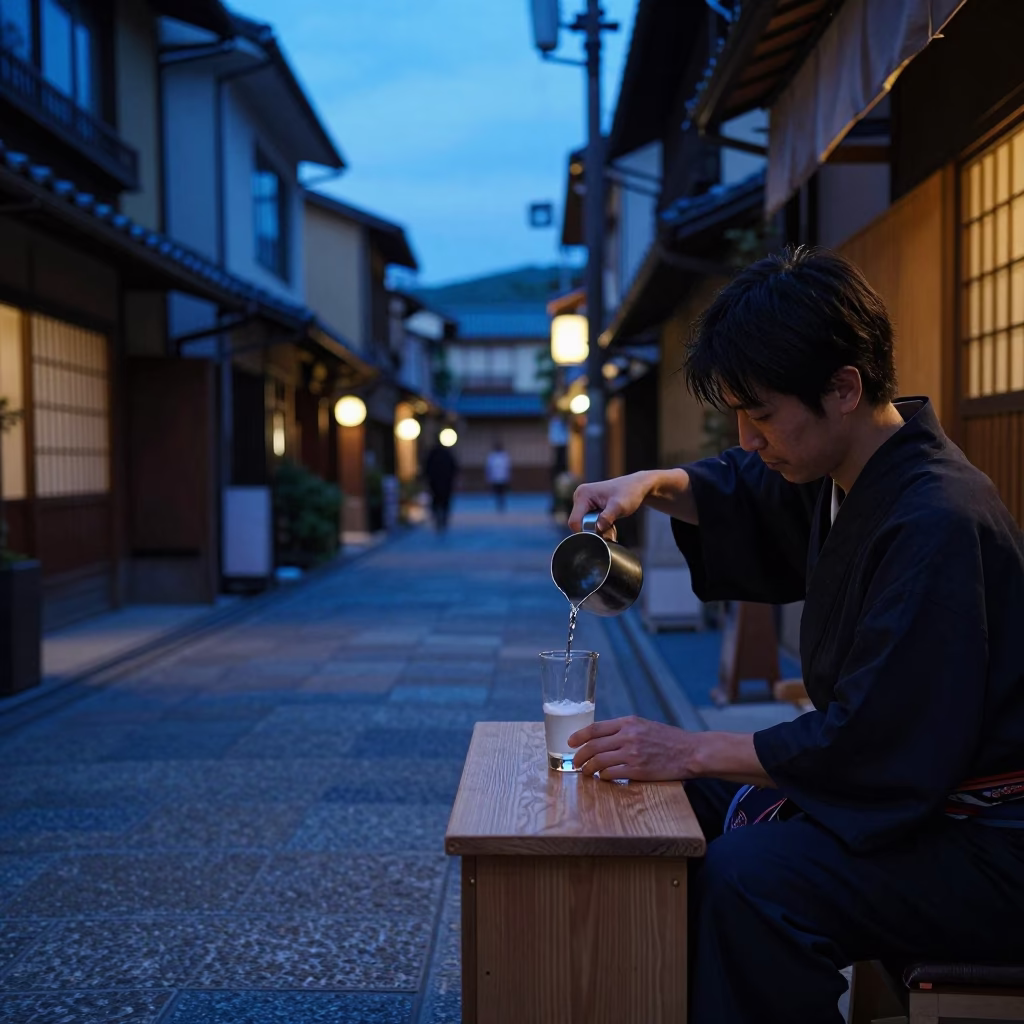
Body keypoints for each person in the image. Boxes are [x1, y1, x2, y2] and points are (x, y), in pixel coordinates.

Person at [566, 247, 1024, 1024]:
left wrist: (690, 745)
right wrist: (648, 484)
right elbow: (740, 489)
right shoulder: (849, 473)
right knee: (668, 799)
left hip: (988, 844)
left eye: (762, 413)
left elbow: (882, 744)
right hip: (920, 806)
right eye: (737, 415)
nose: (748, 438)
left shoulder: (938, 518)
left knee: (752, 881)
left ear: (844, 387)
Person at [422, 439, 458, 533]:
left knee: (436, 501)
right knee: (444, 502)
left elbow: (426, 469)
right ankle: (443, 519)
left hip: (435, 483)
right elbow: (454, 468)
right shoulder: (447, 454)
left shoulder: (432, 455)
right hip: (445, 483)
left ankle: (438, 518)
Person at [485, 441, 511, 512]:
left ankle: (502, 505)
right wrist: (489, 478)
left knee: (502, 493)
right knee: (496, 493)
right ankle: (498, 505)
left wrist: (508, 477)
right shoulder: (492, 456)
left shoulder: (504, 456)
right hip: (495, 478)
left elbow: (507, 467)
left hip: (503, 478)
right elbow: (489, 468)